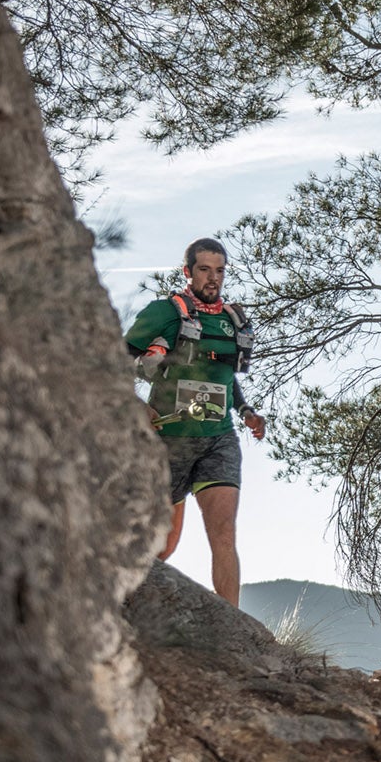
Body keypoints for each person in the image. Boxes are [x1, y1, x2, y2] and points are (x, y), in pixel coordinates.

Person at [124, 238, 266, 603]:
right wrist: (135, 405)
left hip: (218, 438)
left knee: (223, 534)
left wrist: (246, 411)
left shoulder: (232, 320)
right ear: (188, 271)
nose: (213, 278)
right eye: (205, 269)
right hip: (169, 440)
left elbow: (222, 377)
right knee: (163, 545)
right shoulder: (166, 313)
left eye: (219, 270)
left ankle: (236, 632)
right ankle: (126, 611)